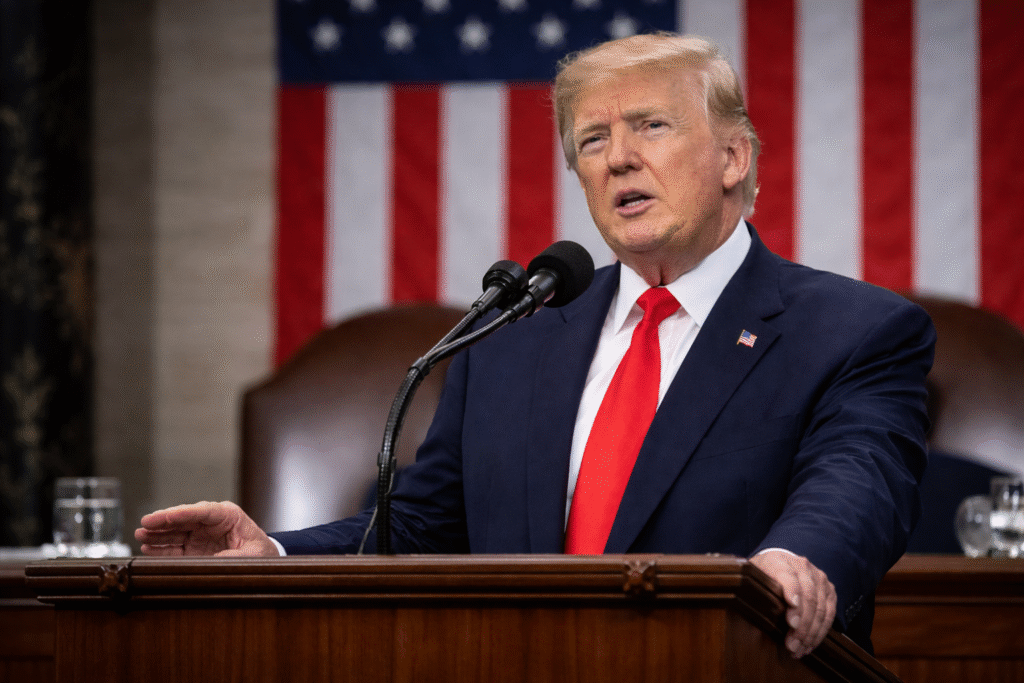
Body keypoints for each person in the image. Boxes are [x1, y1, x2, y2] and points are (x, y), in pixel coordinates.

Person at [136, 33, 934, 660]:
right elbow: (424, 527)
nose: (619, 155)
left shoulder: (854, 331)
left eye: (651, 125)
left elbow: (858, 482)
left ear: (734, 157)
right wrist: (271, 551)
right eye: (592, 139)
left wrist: (797, 561)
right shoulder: (514, 341)